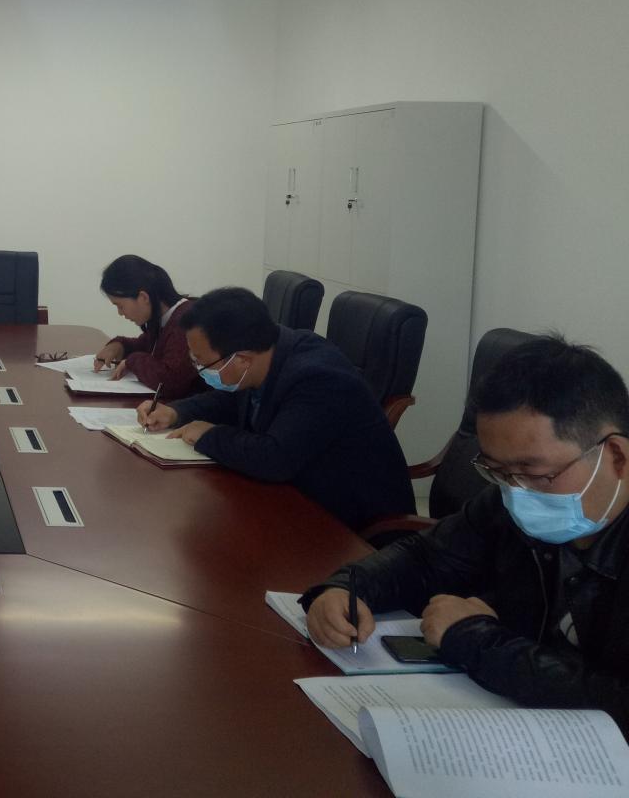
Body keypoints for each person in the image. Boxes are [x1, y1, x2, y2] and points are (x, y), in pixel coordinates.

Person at [303, 335, 629, 729]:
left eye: (536, 472)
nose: (516, 492)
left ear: (617, 456)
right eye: (498, 471)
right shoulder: (509, 501)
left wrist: (475, 639)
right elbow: (426, 557)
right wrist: (345, 588)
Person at [138, 286, 414, 532]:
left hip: (351, 527)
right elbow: (231, 401)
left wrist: (208, 435)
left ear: (242, 359)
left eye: (201, 362)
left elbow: (274, 458)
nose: (198, 369)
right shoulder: (266, 352)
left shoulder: (317, 377)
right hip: (295, 498)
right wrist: (176, 412)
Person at [91, 255, 201, 400]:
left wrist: (132, 361)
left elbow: (170, 382)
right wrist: (119, 346)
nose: (120, 313)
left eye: (120, 306)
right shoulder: (165, 318)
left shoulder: (185, 322)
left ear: (143, 297)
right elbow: (145, 345)